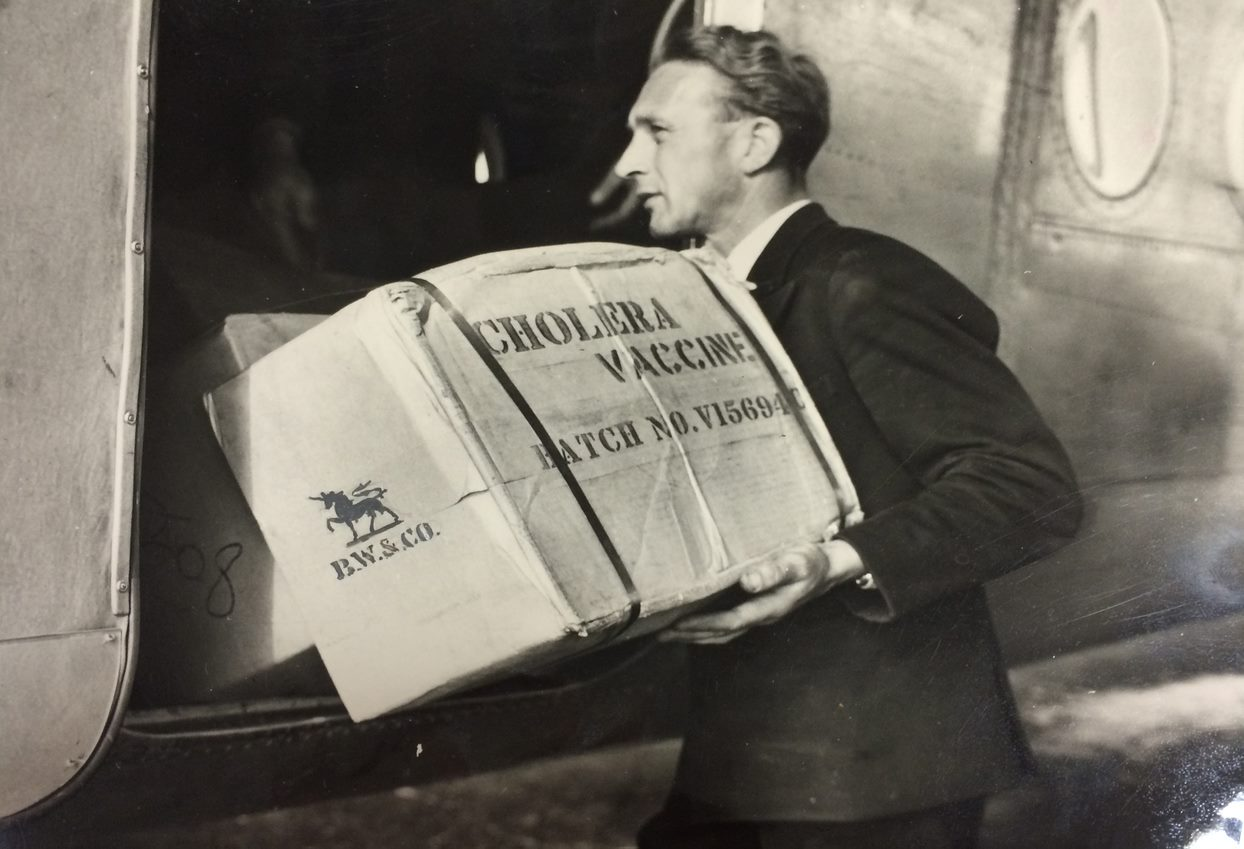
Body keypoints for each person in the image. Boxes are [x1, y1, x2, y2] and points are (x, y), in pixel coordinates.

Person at [609, 25, 1084, 849]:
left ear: (755, 142)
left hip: (880, 774)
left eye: (655, 133)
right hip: (756, 754)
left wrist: (833, 564)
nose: (626, 163)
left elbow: (1030, 487)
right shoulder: (706, 292)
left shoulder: (861, 282)